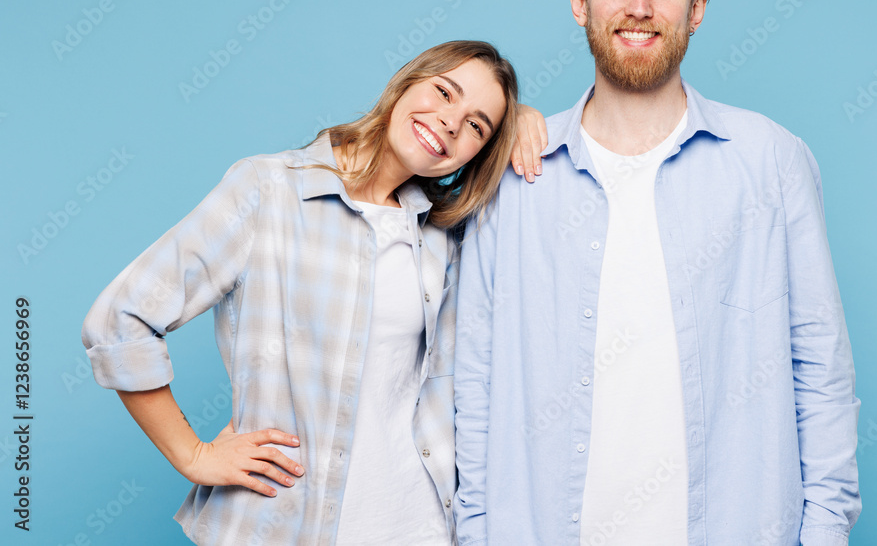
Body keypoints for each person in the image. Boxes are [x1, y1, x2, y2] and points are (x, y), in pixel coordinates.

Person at [454, 0, 861, 546]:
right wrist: (474, 530)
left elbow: (820, 362)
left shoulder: (769, 160)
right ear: (579, 2)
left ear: (695, 8)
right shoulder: (514, 171)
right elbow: (470, 372)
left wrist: (824, 530)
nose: (638, 7)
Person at [81, 40, 541, 545]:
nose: (452, 122)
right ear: (406, 83)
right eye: (443, 92)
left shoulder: (443, 236)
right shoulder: (269, 190)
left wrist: (525, 121)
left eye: (477, 125)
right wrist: (194, 455)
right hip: (286, 527)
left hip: (418, 525)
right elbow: (120, 320)